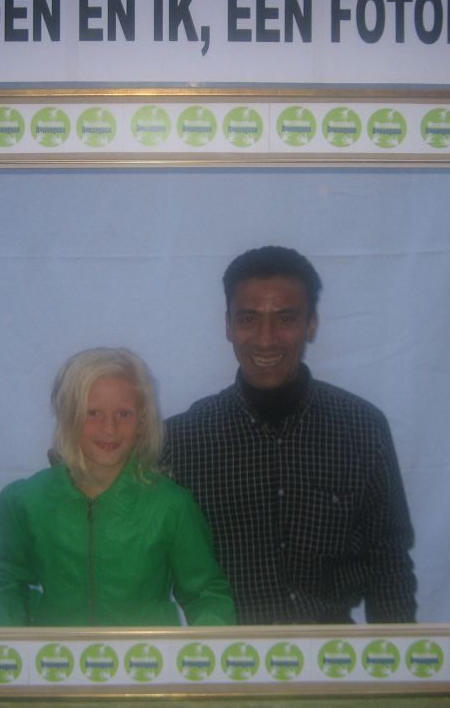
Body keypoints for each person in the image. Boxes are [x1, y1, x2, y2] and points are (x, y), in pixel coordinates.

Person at [163, 246, 417, 625]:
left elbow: (389, 561)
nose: (266, 339)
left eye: (285, 319)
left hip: (334, 653)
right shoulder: (182, 440)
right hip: (225, 654)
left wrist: (394, 657)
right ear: (228, 325)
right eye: (248, 319)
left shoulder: (362, 427)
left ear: (311, 324)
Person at [0, 347, 236, 627]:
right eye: (93, 413)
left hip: (146, 654)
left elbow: (206, 594)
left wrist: (201, 648)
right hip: (58, 654)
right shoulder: (24, 502)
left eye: (123, 414)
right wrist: (21, 643)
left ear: (142, 420)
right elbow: (9, 581)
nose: (109, 428)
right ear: (67, 415)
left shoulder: (171, 505)